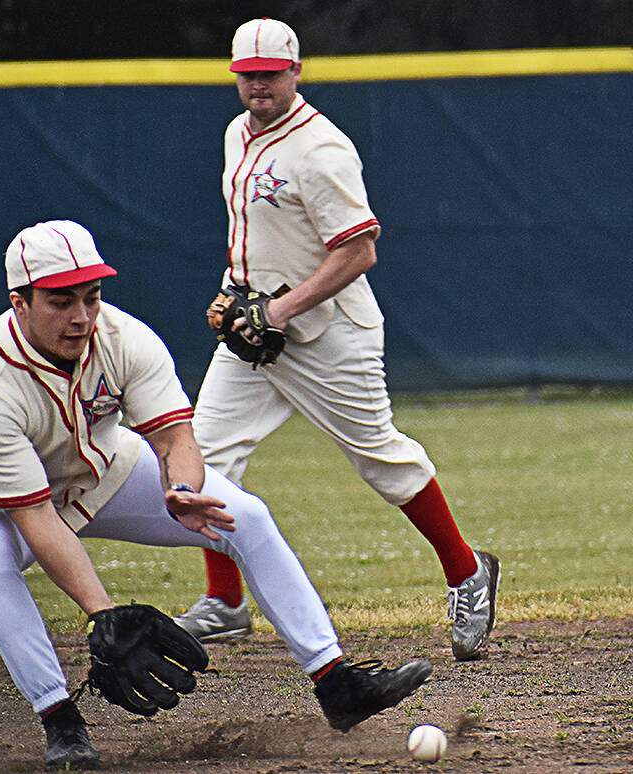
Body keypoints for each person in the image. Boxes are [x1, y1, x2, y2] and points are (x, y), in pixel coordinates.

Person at [0, 219, 432, 770]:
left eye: (91, 296)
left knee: (244, 514)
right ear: (19, 303)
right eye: (60, 301)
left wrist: (181, 489)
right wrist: (104, 614)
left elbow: (175, 437)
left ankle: (336, 682)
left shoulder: (123, 338)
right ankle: (61, 722)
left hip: (107, 467)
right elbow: (37, 516)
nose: (80, 316)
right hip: (3, 499)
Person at [174, 18, 501, 662]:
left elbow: (358, 251)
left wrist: (284, 307)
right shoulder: (237, 133)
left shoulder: (321, 149)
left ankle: (468, 574)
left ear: (296, 72)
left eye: (270, 73)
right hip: (255, 332)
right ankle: (226, 602)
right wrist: (239, 291)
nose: (258, 85)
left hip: (329, 336)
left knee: (379, 459)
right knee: (200, 458)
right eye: (247, 74)